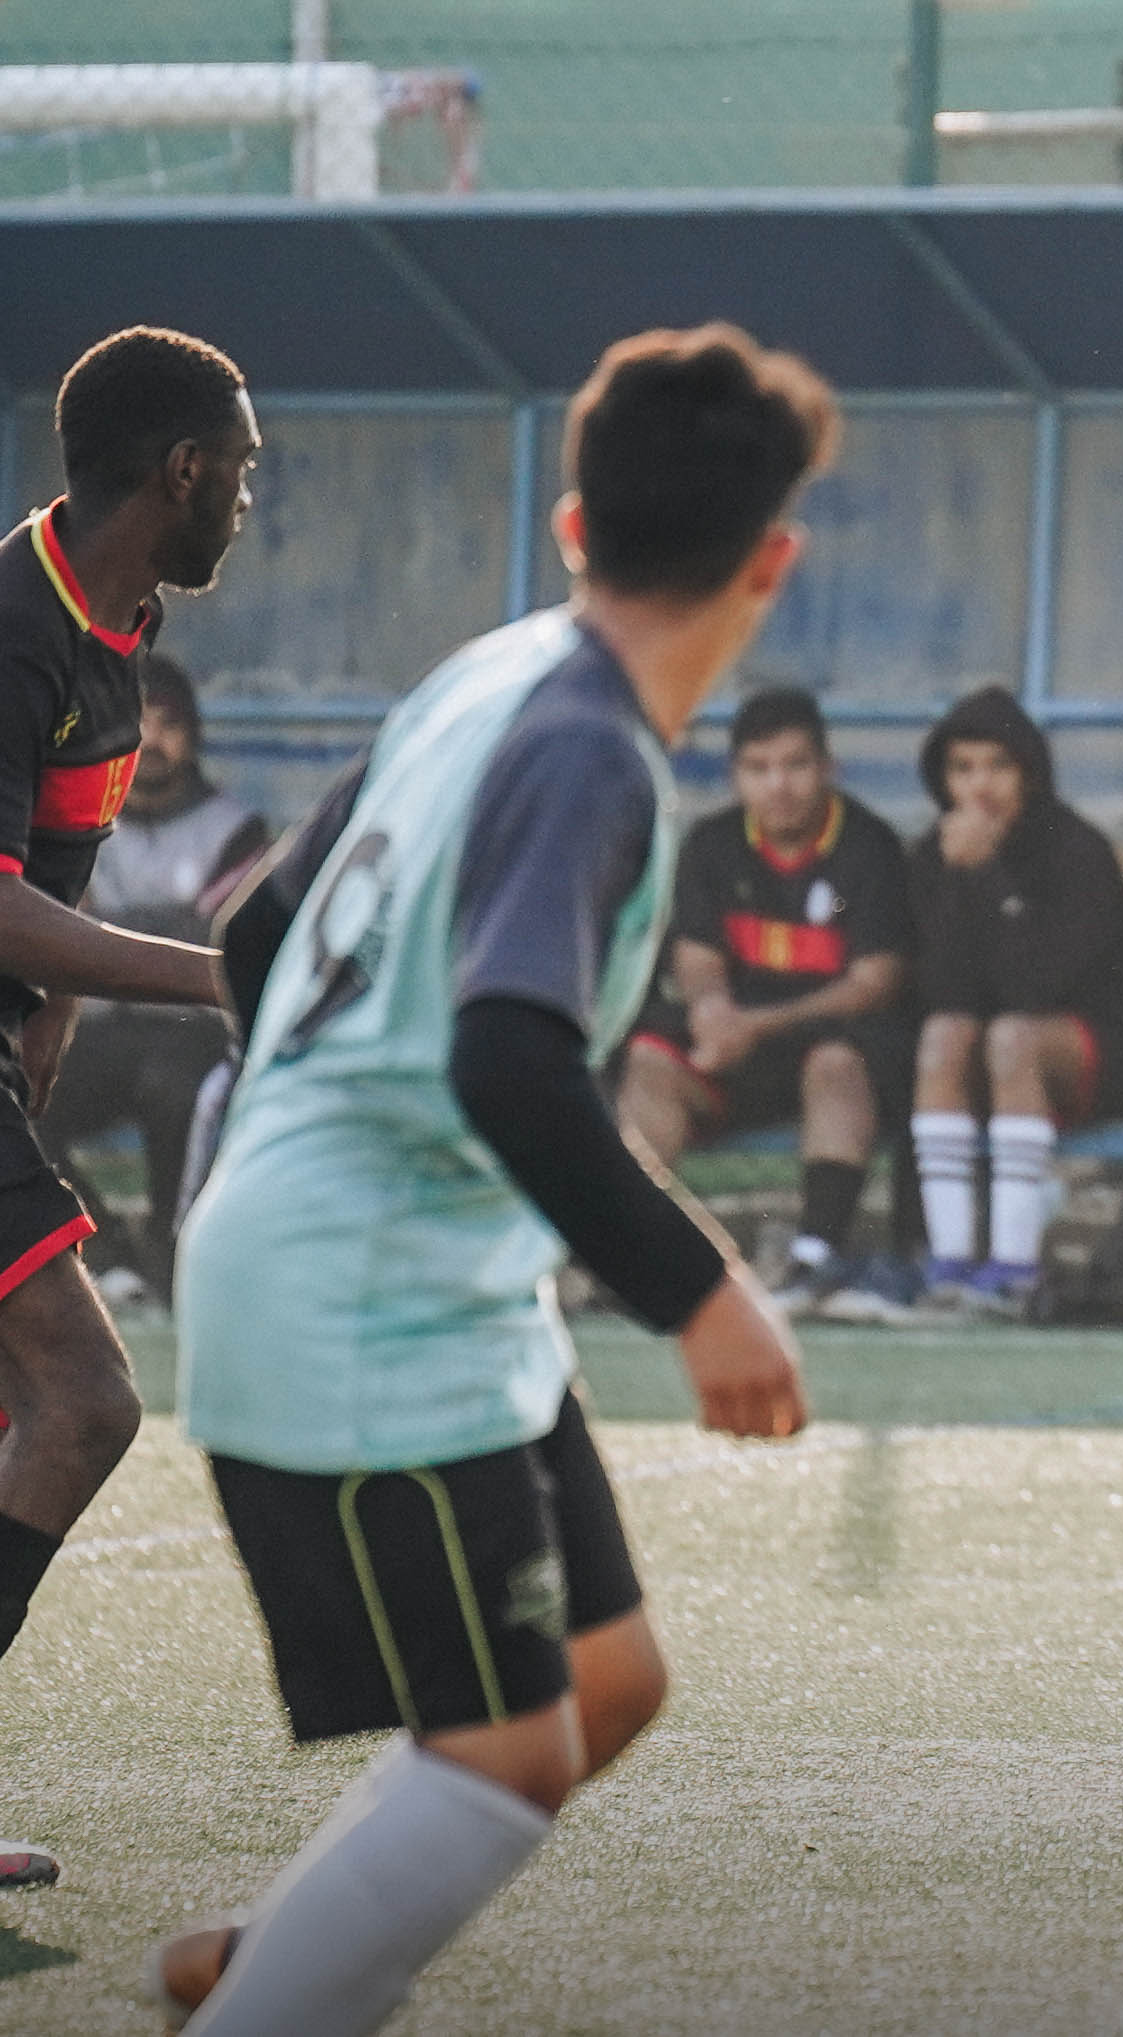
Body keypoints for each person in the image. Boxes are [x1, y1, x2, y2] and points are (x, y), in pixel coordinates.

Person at [156, 324, 819, 2028]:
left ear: (572, 527)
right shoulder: (589, 749)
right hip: (365, 1299)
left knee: (610, 1682)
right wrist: (705, 1294)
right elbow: (507, 1060)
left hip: (420, 1275)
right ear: (773, 561)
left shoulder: (487, 673)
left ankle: (273, 1963)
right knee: (510, 1755)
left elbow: (259, 935)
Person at [0, 329, 259, 1897]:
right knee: (84, 1402)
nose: (247, 494)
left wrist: (45, 1033)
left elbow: (56, 879)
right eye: (242, 466)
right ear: (182, 469)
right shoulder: (10, 622)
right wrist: (229, 976)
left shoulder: (119, 636)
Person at [618, 684, 914, 1317]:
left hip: (835, 1042)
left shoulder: (870, 846)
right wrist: (710, 1010)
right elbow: (695, 957)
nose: (778, 786)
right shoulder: (712, 845)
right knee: (650, 1059)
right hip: (738, 1050)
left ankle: (814, 1257)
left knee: (836, 1064)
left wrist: (755, 1023)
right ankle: (629, 1254)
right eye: (758, 768)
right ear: (736, 776)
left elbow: (875, 982)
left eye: (795, 765)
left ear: (827, 768)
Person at [903, 684, 1123, 1316]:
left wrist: (986, 874)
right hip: (999, 1058)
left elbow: (1036, 985)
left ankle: (1013, 1267)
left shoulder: (1076, 849)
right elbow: (940, 994)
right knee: (943, 1036)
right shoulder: (933, 855)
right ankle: (949, 1262)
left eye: (998, 766)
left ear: (1029, 772)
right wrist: (956, 879)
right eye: (962, 768)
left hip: (1120, 1049)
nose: (980, 786)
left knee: (1012, 1037)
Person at [37, 649, 271, 1301]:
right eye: (139, 722)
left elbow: (224, 937)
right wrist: (166, 923)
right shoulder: (78, 825)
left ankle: (170, 1255)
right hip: (92, 1030)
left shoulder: (235, 830)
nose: (153, 740)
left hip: (189, 1033)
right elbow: (58, 922)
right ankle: (106, 1244)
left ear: (193, 735)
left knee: (176, 1088)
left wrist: (104, 928)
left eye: (170, 724)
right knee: (19, 1091)